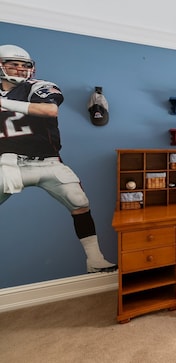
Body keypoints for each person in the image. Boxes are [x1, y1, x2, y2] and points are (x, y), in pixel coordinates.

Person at [0, 44, 117, 273]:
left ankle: (94, 259)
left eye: (24, 65)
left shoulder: (39, 87)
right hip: (8, 162)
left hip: (47, 160)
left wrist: (3, 103)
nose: (20, 69)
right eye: (13, 64)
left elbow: (50, 111)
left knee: (79, 202)